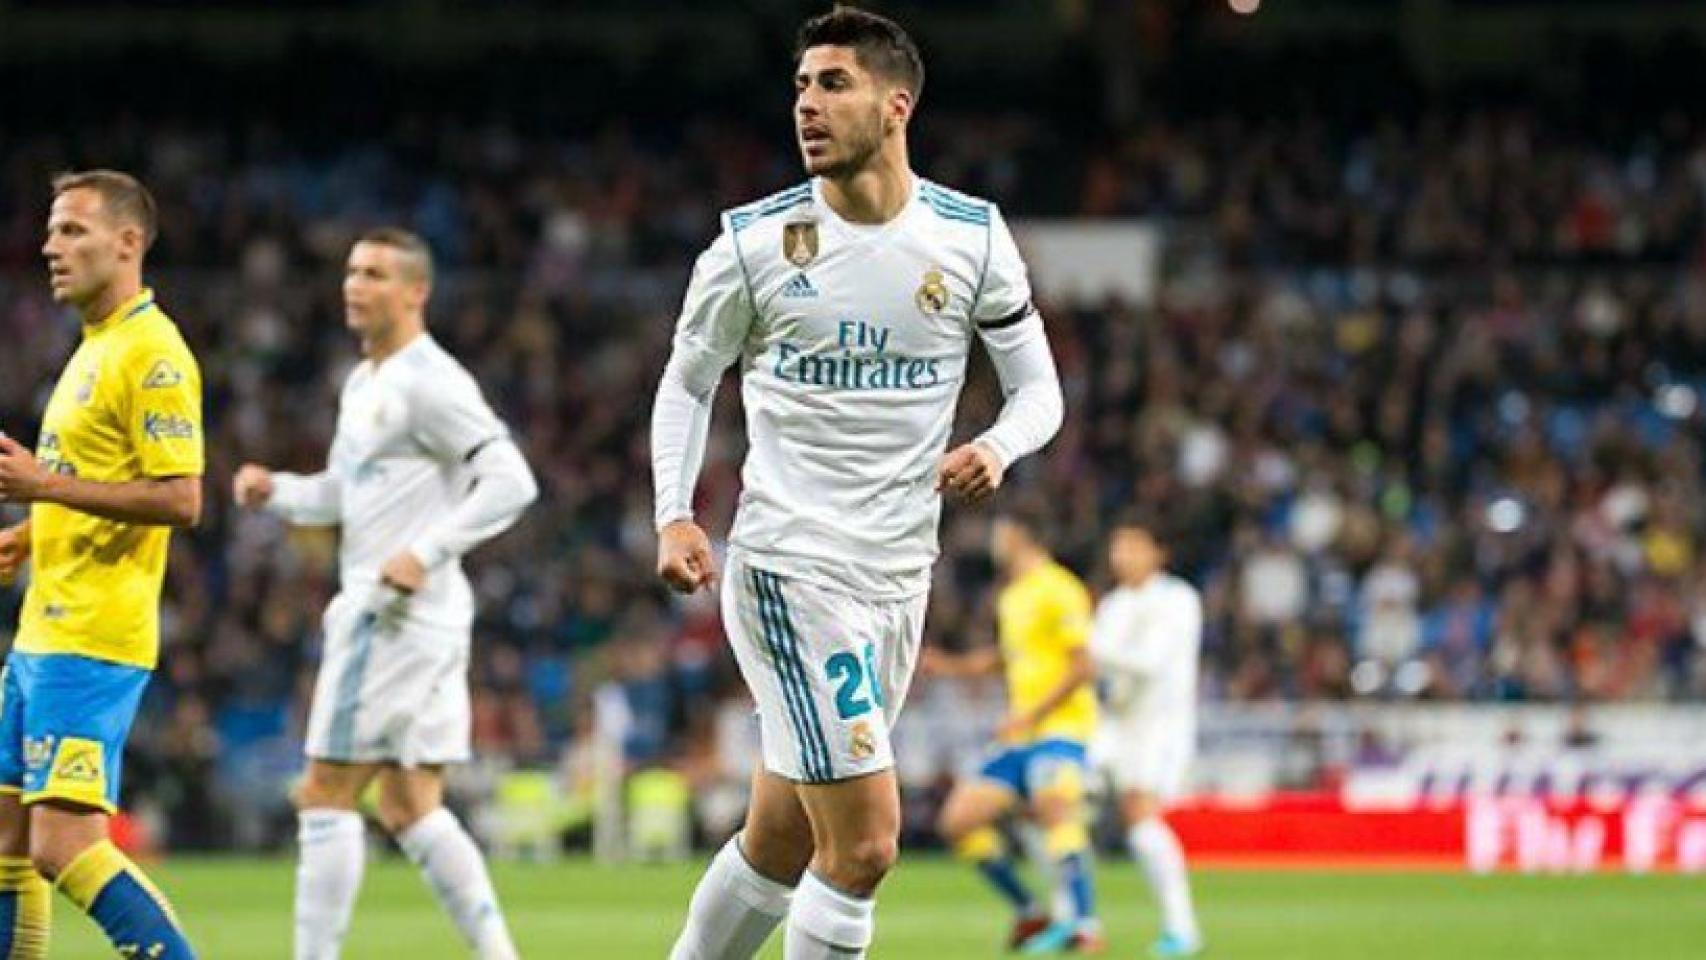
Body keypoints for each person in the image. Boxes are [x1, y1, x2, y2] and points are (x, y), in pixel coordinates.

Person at [650, 6, 1065, 957]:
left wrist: (998, 447)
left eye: (832, 84)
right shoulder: (754, 247)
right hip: (791, 568)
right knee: (868, 844)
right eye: (800, 85)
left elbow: (1041, 393)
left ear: (896, 103)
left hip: (896, 578)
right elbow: (686, 380)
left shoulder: (972, 238)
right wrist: (674, 514)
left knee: (781, 841)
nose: (806, 103)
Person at [232, 228, 537, 960]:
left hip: (391, 614)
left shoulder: (429, 380)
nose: (353, 285)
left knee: (324, 793)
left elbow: (513, 480)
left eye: (372, 274)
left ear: (415, 292)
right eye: (350, 272)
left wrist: (426, 551)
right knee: (409, 805)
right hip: (428, 617)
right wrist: (278, 492)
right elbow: (345, 493)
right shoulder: (365, 382)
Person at [0, 170, 201, 958]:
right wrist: (32, 534)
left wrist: (43, 486)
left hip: (92, 638)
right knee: (9, 842)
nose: (51, 247)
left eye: (72, 231)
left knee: (63, 846)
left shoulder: (152, 353)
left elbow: (182, 498)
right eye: (51, 231)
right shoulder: (94, 348)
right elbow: (98, 486)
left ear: (128, 243)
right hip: (42, 631)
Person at [927, 505, 1102, 954]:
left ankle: (1085, 926)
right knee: (958, 821)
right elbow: (1010, 656)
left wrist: (1032, 714)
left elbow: (1083, 667)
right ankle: (1031, 911)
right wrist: (951, 666)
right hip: (1020, 734)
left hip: (1061, 728)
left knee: (1054, 810)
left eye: (1000, 530)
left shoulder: (1061, 588)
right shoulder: (1012, 595)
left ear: (1020, 535)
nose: (993, 538)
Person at [1089, 515, 1205, 958]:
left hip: (1160, 728)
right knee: (1062, 805)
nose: (1123, 556)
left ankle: (1182, 928)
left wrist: (1091, 652)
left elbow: (1151, 663)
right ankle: (1075, 918)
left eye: (1134, 546)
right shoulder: (1113, 604)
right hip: (1114, 727)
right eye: (1118, 546)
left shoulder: (1178, 600)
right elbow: (1104, 678)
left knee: (1140, 819)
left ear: (1159, 553)